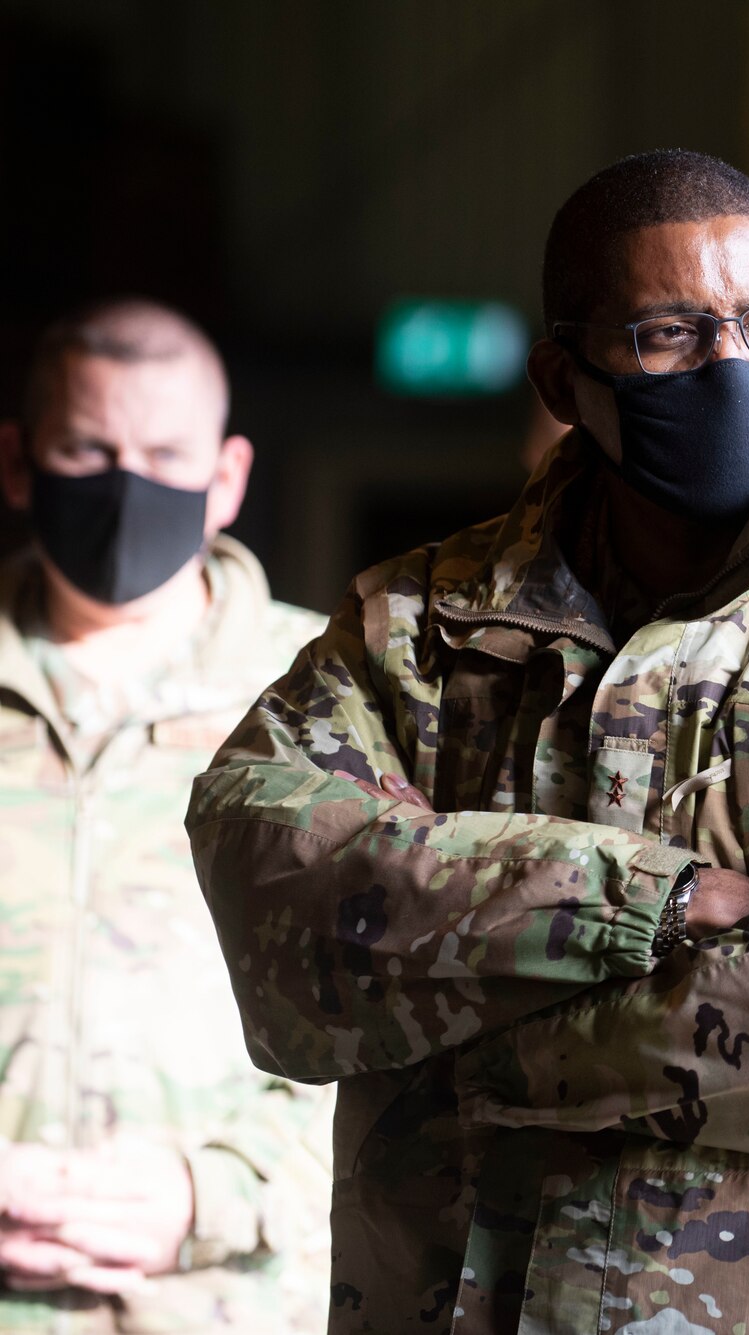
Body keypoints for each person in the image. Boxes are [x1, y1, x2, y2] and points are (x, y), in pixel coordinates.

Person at [187, 149, 749, 1335]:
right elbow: (274, 891)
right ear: (564, 379)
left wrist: (485, 1051)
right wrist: (645, 903)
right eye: (670, 335)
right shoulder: (422, 624)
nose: (733, 362)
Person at [0, 299, 332, 1330]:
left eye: (163, 454)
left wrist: (211, 1193)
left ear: (225, 479)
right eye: (87, 449)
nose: (125, 483)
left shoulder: (327, 697)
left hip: (226, 1302)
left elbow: (416, 1020)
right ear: (18, 462)